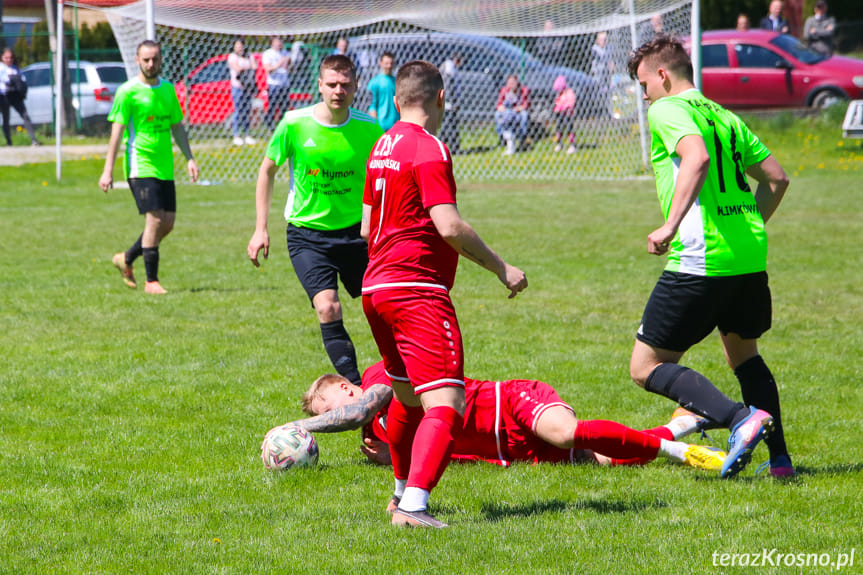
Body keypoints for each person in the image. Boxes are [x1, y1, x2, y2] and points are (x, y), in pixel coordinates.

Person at [362, 60, 528, 528]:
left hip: (376, 287)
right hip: (416, 288)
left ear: (396, 101)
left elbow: (365, 225)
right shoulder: (430, 147)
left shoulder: (382, 144)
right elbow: (449, 224)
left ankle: (398, 495)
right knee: (446, 404)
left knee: (407, 399)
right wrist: (502, 268)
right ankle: (414, 506)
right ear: (440, 98)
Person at [626, 35, 793, 480]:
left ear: (662, 75)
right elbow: (776, 179)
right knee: (745, 357)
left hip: (701, 260)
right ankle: (780, 464)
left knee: (645, 367)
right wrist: (748, 225)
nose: (643, 95)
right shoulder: (723, 114)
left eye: (643, 84)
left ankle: (741, 419)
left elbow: (695, 157)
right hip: (748, 256)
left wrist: (669, 225)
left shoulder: (666, 109)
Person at [281, 360, 727, 474]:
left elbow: (363, 407)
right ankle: (680, 424)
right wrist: (391, 459)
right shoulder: (376, 435)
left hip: (512, 403)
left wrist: (298, 427)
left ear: (344, 387)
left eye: (330, 410)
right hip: (509, 450)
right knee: (604, 460)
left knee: (567, 433)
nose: (337, 420)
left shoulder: (381, 375)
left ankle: (682, 450)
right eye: (325, 418)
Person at [247, 55, 383, 386]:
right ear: (319, 85)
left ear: (355, 86)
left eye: (345, 85)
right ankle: (358, 389)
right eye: (332, 84)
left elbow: (383, 181)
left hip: (356, 236)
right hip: (308, 236)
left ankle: (401, 375)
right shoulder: (294, 123)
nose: (339, 90)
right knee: (327, 308)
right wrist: (260, 229)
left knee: (381, 305)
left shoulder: (369, 129)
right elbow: (267, 170)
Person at [99, 40, 199, 295]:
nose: (150, 64)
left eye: (154, 59)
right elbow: (117, 131)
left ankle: (127, 258)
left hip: (164, 167)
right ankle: (151, 282)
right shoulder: (127, 92)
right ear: (137, 60)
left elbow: (177, 126)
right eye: (146, 60)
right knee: (154, 219)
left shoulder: (167, 90)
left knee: (167, 224)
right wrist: (107, 170)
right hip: (139, 165)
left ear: (160, 59)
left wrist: (189, 158)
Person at [0, 47, 41, 146]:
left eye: (10, 58)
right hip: (4, 96)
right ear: (2, 58)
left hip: (15, 96)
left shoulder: (15, 68)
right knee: (6, 119)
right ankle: (9, 142)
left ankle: (34, 140)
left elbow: (22, 80)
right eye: (6, 58)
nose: (9, 60)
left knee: (25, 116)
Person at [227, 38, 257, 146]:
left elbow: (254, 66)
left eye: (241, 45)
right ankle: (236, 135)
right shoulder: (232, 56)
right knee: (238, 111)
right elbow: (237, 68)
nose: (239, 48)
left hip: (247, 87)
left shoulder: (249, 55)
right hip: (238, 87)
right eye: (237, 45)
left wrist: (246, 68)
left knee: (247, 111)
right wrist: (247, 68)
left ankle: (247, 134)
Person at [262, 36, 294, 131]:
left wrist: (290, 63)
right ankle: (270, 126)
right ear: (272, 43)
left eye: (280, 42)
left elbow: (290, 69)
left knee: (284, 106)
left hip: (284, 84)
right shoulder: (268, 54)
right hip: (274, 84)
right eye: (277, 42)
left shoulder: (285, 53)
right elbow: (268, 69)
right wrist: (280, 63)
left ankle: (283, 126)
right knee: (273, 106)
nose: (279, 44)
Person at [494, 74, 530, 156]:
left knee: (524, 115)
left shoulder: (523, 90)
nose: (511, 85)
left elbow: (526, 105)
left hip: (518, 110)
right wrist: (502, 108)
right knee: (497, 114)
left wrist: (517, 109)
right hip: (507, 110)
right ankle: (502, 136)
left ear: (517, 82)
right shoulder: (504, 90)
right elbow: (499, 105)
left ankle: (522, 137)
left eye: (513, 82)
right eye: (509, 82)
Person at [366, 52, 399, 131]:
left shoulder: (398, 81)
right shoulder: (374, 82)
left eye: (391, 63)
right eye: (386, 63)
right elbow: (372, 106)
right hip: (382, 127)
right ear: (380, 63)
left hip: (397, 126)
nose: (389, 66)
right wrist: (376, 127)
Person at [439, 53, 461, 154]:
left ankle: (452, 146)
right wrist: (453, 101)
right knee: (449, 126)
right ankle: (451, 147)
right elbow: (449, 86)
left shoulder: (449, 68)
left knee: (449, 125)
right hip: (449, 104)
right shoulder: (449, 68)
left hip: (449, 103)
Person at [551, 75, 576, 155]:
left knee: (569, 129)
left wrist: (564, 107)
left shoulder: (569, 92)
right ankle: (559, 143)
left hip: (568, 114)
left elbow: (571, 103)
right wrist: (557, 108)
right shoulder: (560, 94)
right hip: (560, 115)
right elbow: (557, 103)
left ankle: (572, 145)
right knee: (559, 128)